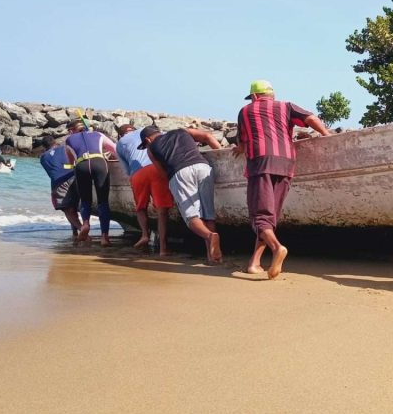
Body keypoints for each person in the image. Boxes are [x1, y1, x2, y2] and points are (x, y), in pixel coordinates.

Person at [235, 79, 331, 279]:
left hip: (260, 163)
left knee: (260, 216)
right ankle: (254, 263)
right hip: (286, 163)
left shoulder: (245, 111)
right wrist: (327, 135)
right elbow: (311, 118)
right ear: (272, 95)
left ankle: (277, 248)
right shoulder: (286, 106)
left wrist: (238, 148)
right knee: (269, 218)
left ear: (254, 96)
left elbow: (243, 142)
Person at [138, 125, 223, 264]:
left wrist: (173, 183)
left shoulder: (151, 149)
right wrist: (220, 153)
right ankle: (213, 257)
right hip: (203, 167)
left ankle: (210, 236)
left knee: (191, 217)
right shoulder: (182, 131)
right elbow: (208, 137)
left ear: (147, 139)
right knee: (208, 214)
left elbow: (162, 173)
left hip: (180, 172)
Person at [116, 123, 175, 255]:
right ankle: (163, 249)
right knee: (162, 210)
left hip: (137, 174)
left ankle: (144, 235)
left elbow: (126, 170)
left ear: (120, 134)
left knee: (140, 208)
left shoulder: (120, 143)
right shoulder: (148, 131)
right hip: (156, 168)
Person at [64, 119, 117, 247]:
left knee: (85, 200)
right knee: (103, 201)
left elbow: (71, 162)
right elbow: (115, 149)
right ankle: (105, 237)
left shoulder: (69, 140)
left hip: (81, 165)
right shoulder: (99, 135)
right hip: (99, 163)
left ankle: (86, 224)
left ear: (71, 131)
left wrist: (73, 166)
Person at [40, 134, 90, 240]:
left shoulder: (43, 157)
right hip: (75, 177)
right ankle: (76, 232)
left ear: (44, 147)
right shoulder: (65, 148)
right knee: (76, 205)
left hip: (59, 182)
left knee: (67, 209)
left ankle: (81, 230)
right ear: (55, 142)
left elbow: (52, 172)